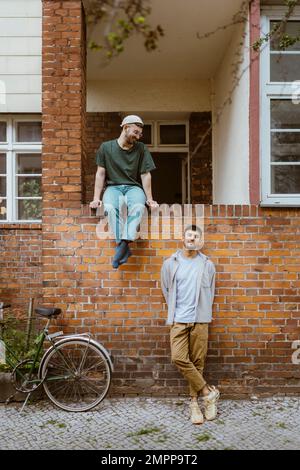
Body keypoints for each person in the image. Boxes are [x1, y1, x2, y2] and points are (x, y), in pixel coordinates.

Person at [161, 225, 219, 425]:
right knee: (178, 357)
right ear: (182, 238)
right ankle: (207, 392)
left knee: (198, 361)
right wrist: (174, 312)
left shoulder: (207, 265)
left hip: (200, 319)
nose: (192, 238)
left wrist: (203, 313)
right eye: (189, 235)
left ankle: (195, 404)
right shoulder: (170, 263)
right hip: (178, 318)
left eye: (196, 236)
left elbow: (210, 291)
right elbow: (166, 289)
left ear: (200, 241)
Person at [90, 115, 158, 268]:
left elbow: (145, 174)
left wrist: (150, 199)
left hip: (134, 187)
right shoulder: (106, 148)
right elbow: (100, 173)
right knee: (109, 208)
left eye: (140, 134)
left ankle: (122, 245)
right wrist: (96, 198)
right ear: (125, 127)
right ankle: (123, 245)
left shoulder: (141, 148)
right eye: (135, 132)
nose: (138, 136)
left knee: (139, 208)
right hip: (113, 187)